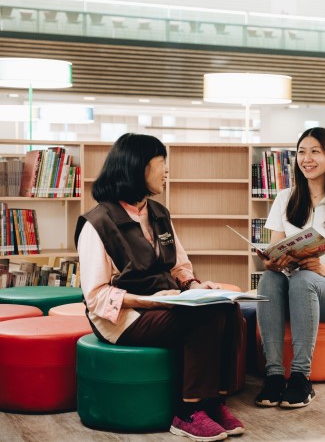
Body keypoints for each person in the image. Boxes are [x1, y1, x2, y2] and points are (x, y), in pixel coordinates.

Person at [74, 133, 245, 441]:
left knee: (228, 308)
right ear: (138, 167)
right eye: (161, 163)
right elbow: (96, 297)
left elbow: (179, 266)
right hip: (123, 318)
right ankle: (187, 412)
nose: (167, 171)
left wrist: (195, 285)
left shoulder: (159, 213)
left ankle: (214, 402)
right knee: (203, 318)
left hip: (165, 303)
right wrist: (150, 302)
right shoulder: (96, 223)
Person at [255, 127, 325, 409]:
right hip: (294, 284)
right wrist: (272, 261)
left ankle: (300, 377)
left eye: (315, 152)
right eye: (301, 152)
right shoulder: (285, 198)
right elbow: (274, 250)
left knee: (305, 278)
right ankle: (273, 376)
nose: (306, 159)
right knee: (269, 279)